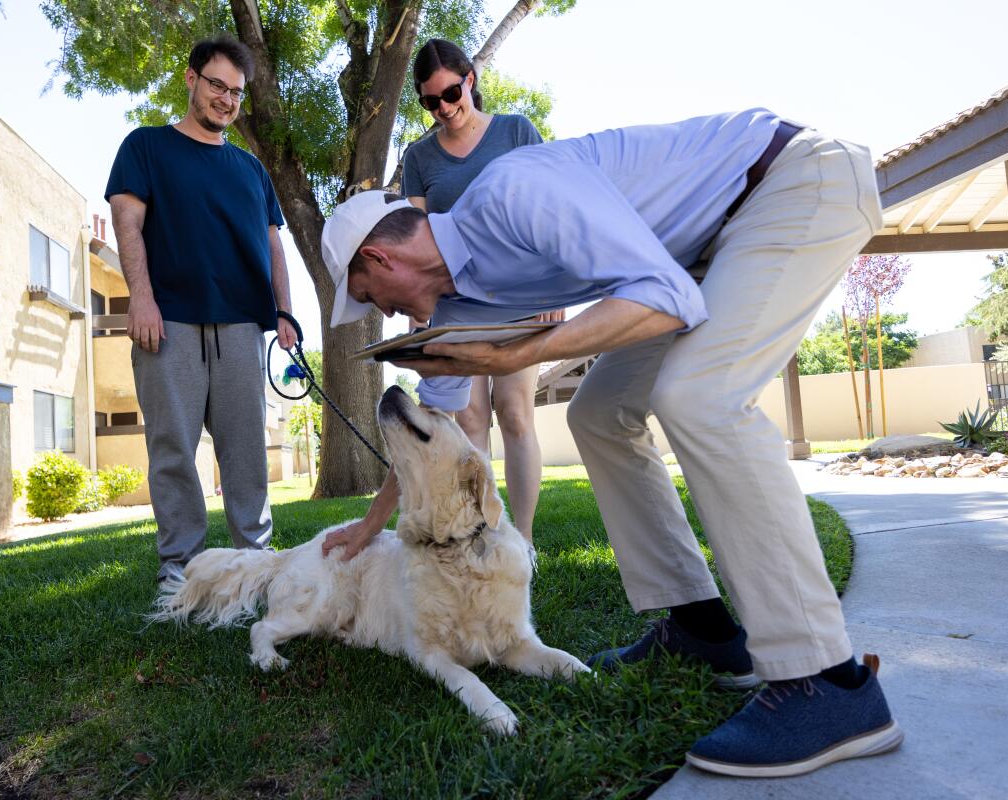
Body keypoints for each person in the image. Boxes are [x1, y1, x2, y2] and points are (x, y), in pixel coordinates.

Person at [319, 110, 902, 777]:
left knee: (700, 397)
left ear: (380, 256)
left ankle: (827, 680)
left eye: (371, 296)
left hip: (790, 183)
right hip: (698, 253)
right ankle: (702, 630)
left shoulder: (512, 193)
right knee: (598, 413)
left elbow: (666, 297)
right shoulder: (460, 306)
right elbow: (431, 426)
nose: (386, 315)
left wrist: (520, 355)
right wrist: (370, 524)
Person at [324, 40, 552, 557]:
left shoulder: (516, 131)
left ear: (469, 79)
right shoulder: (420, 156)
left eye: (451, 93)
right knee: (467, 421)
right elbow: (414, 237)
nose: (444, 108)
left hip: (521, 294)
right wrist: (419, 318)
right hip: (457, 304)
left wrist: (549, 285)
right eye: (431, 102)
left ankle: (524, 540)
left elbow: (547, 206)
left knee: (515, 413)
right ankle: (485, 532)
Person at [106, 34, 295, 584]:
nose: (227, 100)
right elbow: (127, 224)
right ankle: (179, 571)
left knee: (246, 455)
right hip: (168, 324)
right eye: (217, 85)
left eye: (236, 92)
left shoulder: (251, 170)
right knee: (173, 452)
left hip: (240, 325)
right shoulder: (144, 147)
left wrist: (284, 312)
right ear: (191, 79)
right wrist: (141, 299)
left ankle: (255, 564)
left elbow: (273, 244)